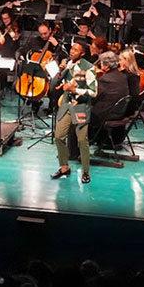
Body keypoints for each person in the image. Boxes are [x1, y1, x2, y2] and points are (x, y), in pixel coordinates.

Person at [49, 42, 97, 184]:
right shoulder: (67, 65)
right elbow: (53, 87)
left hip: (81, 106)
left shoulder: (89, 68)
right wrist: (59, 72)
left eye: (76, 50)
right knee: (58, 137)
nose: (72, 51)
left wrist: (75, 90)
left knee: (82, 140)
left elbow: (94, 92)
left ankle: (86, 172)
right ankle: (64, 167)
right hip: (66, 105)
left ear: (82, 53)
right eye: (72, 48)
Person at [89, 51, 138, 135]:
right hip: (120, 112)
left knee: (82, 108)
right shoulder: (123, 77)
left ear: (106, 66)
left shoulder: (105, 79)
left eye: (101, 63)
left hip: (107, 114)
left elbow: (94, 98)